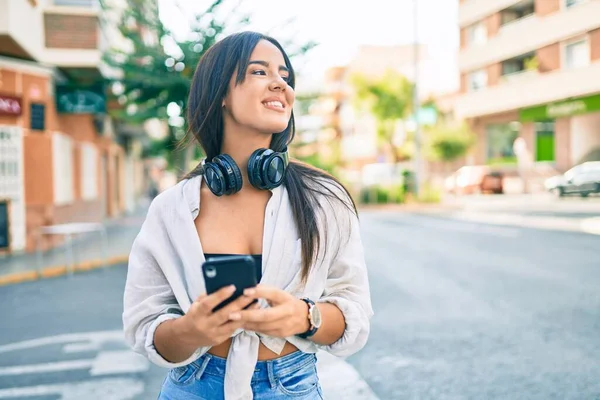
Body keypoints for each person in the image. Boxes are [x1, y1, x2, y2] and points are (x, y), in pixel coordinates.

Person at [122, 31, 373, 400]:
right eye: (259, 72)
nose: (279, 85)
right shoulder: (170, 209)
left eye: (285, 77)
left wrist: (304, 317)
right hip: (193, 385)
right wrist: (193, 330)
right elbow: (145, 327)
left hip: (292, 387)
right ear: (220, 93)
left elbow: (355, 312)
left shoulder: (324, 199)